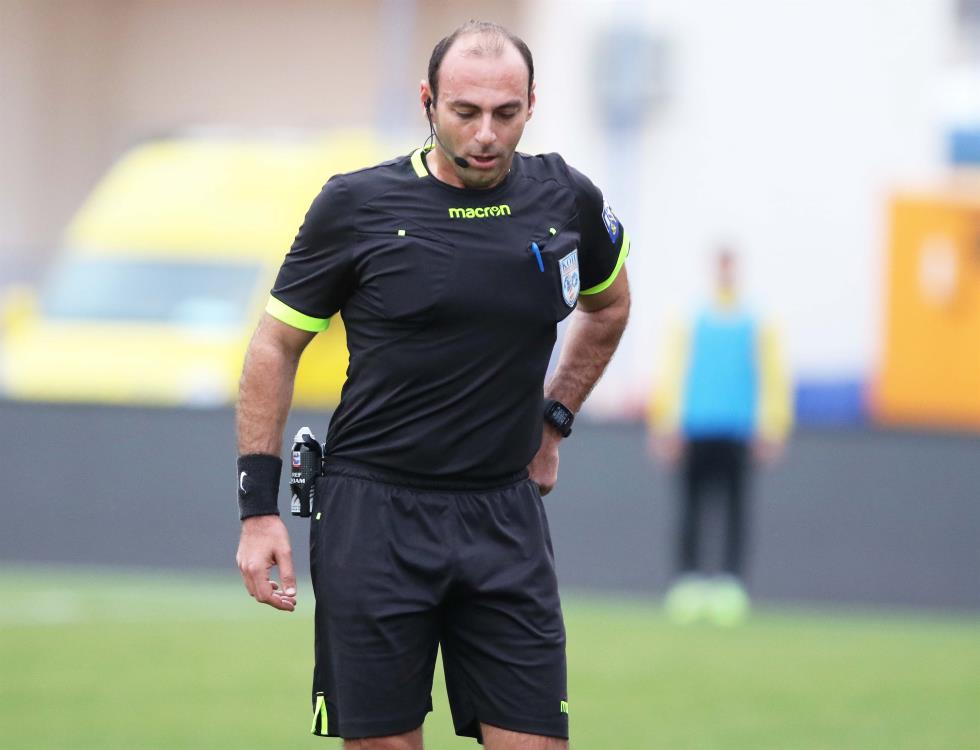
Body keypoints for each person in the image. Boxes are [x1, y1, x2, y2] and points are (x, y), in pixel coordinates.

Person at [234, 21, 631, 750]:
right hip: (374, 517)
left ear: (532, 105)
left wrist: (554, 421)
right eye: (465, 112)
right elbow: (274, 346)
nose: (485, 134)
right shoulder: (356, 204)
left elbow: (609, 308)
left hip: (504, 517)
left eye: (505, 114)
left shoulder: (565, 198)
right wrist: (258, 510)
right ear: (428, 101)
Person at [648, 247, 790, 626]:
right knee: (691, 508)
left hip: (738, 429)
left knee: (735, 509)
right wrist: (665, 423)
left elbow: (772, 375)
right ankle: (689, 582)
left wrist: (773, 425)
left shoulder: (757, 321)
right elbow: (673, 371)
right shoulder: (691, 319)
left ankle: (730, 583)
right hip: (695, 427)